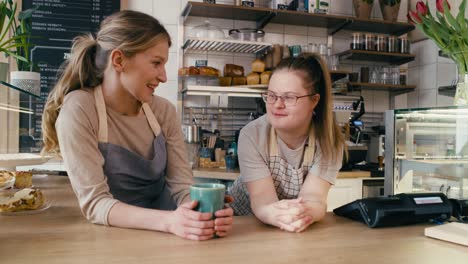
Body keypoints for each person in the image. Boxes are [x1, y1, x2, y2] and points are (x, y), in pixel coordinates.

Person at [41, 10, 233, 241]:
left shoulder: (163, 111)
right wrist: (169, 222)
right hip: (110, 238)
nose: (163, 77)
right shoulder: (80, 108)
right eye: (156, 63)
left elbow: (182, 187)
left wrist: (202, 212)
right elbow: (95, 204)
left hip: (169, 236)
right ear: (119, 60)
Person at [229, 53, 345, 233]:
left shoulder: (330, 142)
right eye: (271, 95)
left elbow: (314, 198)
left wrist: (303, 214)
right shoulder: (252, 135)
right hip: (245, 224)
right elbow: (262, 199)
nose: (277, 105)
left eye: (289, 97)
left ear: (314, 100)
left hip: (295, 226)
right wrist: (282, 216)